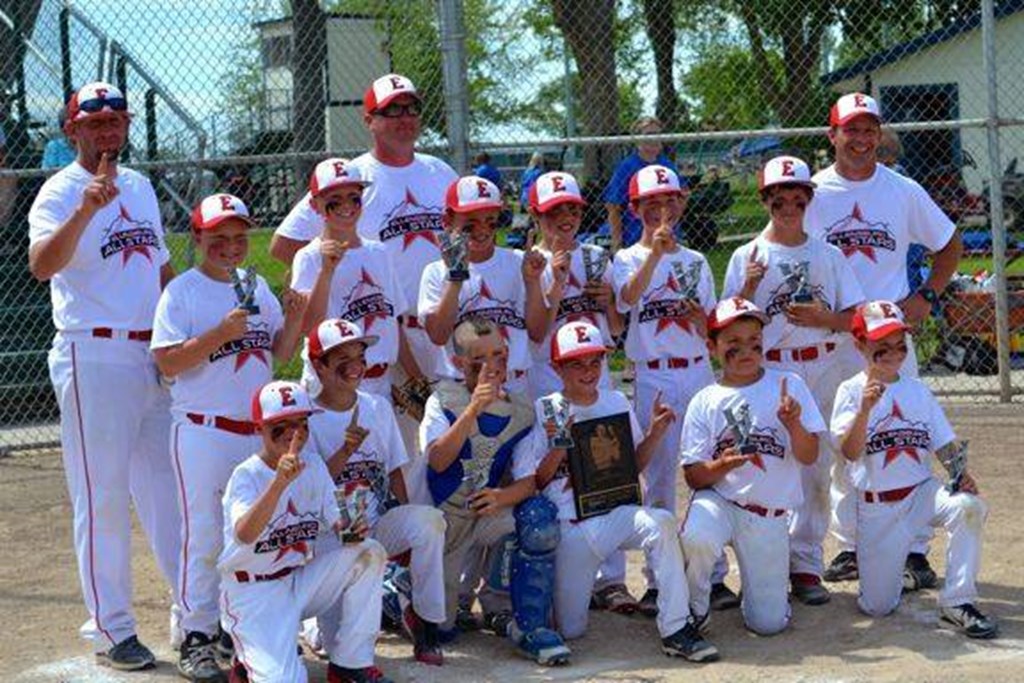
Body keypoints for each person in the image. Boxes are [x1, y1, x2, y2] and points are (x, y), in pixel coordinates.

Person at [27, 81, 182, 670]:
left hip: (153, 353)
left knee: (171, 493)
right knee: (104, 497)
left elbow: (162, 265)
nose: (108, 130)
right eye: (95, 123)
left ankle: (193, 615)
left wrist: (181, 335)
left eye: (116, 120)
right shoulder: (59, 191)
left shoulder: (139, 185)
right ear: (73, 131)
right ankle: (112, 627)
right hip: (94, 354)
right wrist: (86, 208)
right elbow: (42, 266)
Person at [804, 92, 963, 587]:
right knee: (841, 444)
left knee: (904, 436)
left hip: (891, 336)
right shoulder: (812, 192)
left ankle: (914, 549)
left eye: (869, 128)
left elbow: (949, 242)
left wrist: (928, 297)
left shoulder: (902, 189)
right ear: (832, 135)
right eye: (850, 129)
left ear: (879, 135)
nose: (861, 138)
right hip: (836, 338)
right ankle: (852, 545)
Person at [151, 193, 305, 681]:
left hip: (255, 436)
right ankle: (195, 633)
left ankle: (230, 626)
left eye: (239, 237)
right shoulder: (183, 292)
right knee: (203, 535)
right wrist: (221, 332)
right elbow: (168, 362)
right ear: (197, 237)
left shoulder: (256, 285)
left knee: (253, 533)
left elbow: (276, 354)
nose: (230, 245)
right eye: (218, 236)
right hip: (202, 429)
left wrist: (297, 317)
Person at [517, 321, 719, 662]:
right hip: (573, 528)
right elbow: (537, 480)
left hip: (614, 514)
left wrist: (655, 434)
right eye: (576, 364)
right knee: (571, 629)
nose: (588, 371)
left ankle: (676, 626)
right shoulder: (545, 408)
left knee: (661, 523)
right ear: (557, 368)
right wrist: (559, 446)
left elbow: (631, 468)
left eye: (595, 361)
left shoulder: (615, 402)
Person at [270, 73, 457, 419]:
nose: (404, 117)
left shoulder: (440, 172)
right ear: (369, 120)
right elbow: (283, 244)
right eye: (392, 110)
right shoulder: (352, 177)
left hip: (438, 328)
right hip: (368, 340)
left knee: (434, 446)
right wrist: (337, 287)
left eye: (411, 108)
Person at [722, 156, 864, 606]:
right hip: (771, 368)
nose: (788, 207)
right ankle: (765, 561)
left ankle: (805, 564)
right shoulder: (748, 255)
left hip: (821, 364)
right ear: (765, 200)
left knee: (814, 465)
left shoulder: (827, 254)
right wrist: (746, 289)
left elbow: (856, 318)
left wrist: (824, 318)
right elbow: (725, 325)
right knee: (763, 462)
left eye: (797, 200)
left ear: (808, 201)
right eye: (778, 199)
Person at [830, 301, 997, 639]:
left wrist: (959, 473)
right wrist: (864, 409)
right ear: (860, 345)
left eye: (899, 346)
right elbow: (849, 452)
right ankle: (906, 575)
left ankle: (958, 601)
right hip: (877, 507)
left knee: (968, 507)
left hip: (922, 492)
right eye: (881, 347)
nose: (893, 354)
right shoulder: (850, 391)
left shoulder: (917, 390)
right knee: (877, 606)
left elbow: (943, 442)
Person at [218, 380, 391, 683]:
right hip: (253, 593)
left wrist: (353, 529)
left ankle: (350, 665)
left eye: (301, 424)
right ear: (260, 428)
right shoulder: (246, 475)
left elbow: (339, 524)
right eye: (281, 426)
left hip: (298, 581)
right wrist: (279, 484)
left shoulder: (312, 465)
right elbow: (244, 534)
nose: (294, 434)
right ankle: (247, 661)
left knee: (370, 552)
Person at [611, 164, 722, 615]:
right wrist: (655, 256)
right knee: (657, 476)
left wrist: (700, 318)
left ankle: (711, 575)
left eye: (668, 202)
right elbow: (626, 301)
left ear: (680, 203)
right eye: (650, 204)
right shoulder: (626, 259)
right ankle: (658, 580)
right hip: (653, 373)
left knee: (708, 469)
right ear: (635, 209)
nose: (661, 212)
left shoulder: (695, 262)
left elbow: (712, 326)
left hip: (697, 370)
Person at [304, 318, 446, 665]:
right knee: (331, 647)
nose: (356, 367)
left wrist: (404, 524)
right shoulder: (307, 417)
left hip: (374, 525)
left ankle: (425, 619)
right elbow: (310, 491)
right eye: (342, 359)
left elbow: (396, 469)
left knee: (429, 522)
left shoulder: (376, 407)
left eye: (360, 356)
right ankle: (313, 622)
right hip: (330, 539)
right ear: (319, 366)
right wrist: (346, 452)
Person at [680, 297, 825, 637]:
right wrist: (720, 465)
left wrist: (793, 425)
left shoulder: (788, 386)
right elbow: (693, 475)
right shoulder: (705, 400)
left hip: (768, 515)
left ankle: (759, 587)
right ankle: (694, 608)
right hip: (721, 503)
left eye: (753, 342)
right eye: (733, 343)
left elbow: (809, 456)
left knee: (768, 625)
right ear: (711, 345)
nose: (746, 350)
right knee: (698, 536)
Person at [522, 171, 631, 612]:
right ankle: (561, 569)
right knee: (560, 472)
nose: (564, 218)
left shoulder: (596, 256)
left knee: (610, 469)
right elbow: (534, 333)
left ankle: (613, 578)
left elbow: (618, 331)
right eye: (553, 211)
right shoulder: (527, 263)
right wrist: (554, 285)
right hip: (551, 381)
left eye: (571, 209)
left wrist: (607, 302)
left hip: (596, 378)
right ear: (536, 215)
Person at [419, 318, 536, 639]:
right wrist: (472, 410)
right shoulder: (443, 399)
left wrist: (502, 497)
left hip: (486, 509)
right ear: (458, 363)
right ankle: (401, 588)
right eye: (479, 359)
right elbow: (439, 461)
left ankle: (498, 604)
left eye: (498, 355)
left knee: (532, 519)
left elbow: (530, 481)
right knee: (438, 629)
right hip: (447, 517)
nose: (491, 366)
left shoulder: (522, 409)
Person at [290, 158, 407, 402]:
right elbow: (307, 328)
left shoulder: (379, 252)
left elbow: (393, 320)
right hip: (332, 383)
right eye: (335, 199)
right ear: (315, 205)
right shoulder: (309, 257)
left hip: (381, 381)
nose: (347, 205)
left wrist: (414, 376)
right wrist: (326, 272)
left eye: (354, 197)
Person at [419, 175, 533, 395]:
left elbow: (537, 330)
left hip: (514, 383)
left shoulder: (518, 262)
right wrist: (455, 276)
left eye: (490, 221)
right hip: (461, 386)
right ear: (448, 220)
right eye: (470, 224)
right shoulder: (435, 272)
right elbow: (438, 336)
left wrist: (535, 281)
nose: (482, 230)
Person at [603, 116, 679, 251]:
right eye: (649, 134)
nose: (654, 139)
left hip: (666, 236)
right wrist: (617, 241)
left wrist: (673, 222)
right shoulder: (627, 166)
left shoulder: (667, 165)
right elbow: (613, 205)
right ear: (637, 139)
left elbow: (683, 194)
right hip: (635, 237)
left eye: (657, 134)